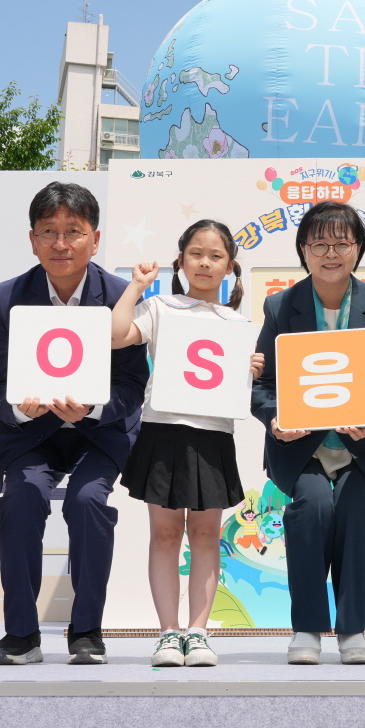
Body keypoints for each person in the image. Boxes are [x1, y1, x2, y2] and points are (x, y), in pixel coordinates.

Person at [0, 182, 148, 667]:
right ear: (32, 240)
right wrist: (19, 407)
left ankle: (87, 630)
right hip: (30, 432)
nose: (60, 244)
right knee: (22, 498)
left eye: (73, 232)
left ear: (95, 240)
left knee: (88, 500)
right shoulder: (8, 296)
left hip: (99, 431)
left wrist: (93, 409)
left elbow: (134, 385)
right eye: (48, 232)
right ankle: (21, 635)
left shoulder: (119, 296)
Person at [251, 201, 365, 666]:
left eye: (342, 242)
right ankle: (307, 629)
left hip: (363, 448)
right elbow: (262, 382)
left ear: (358, 248)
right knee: (312, 507)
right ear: (303, 249)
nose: (331, 253)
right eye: (319, 243)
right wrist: (274, 419)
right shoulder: (281, 305)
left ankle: (353, 631)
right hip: (301, 449)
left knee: (358, 514)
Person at [111, 221, 263, 669]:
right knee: (164, 533)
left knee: (205, 535)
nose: (204, 262)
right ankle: (167, 633)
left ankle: (198, 632)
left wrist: (249, 369)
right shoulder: (159, 306)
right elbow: (115, 335)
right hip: (163, 432)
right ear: (180, 262)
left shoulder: (238, 323)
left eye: (215, 256)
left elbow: (239, 386)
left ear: (229, 267)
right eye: (196, 253)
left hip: (213, 435)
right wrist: (136, 287)